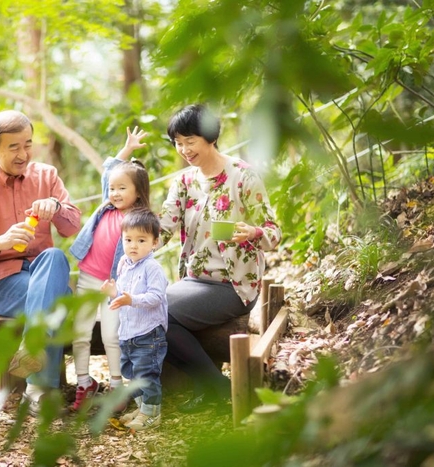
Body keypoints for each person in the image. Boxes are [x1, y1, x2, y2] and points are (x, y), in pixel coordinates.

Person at [0, 110, 81, 416]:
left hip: (42, 273)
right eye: (14, 148)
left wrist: (57, 207)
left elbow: (72, 226)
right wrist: (0, 242)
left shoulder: (46, 176)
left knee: (54, 256)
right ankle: (38, 390)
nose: (23, 154)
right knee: (58, 302)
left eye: (28, 144)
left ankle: (33, 363)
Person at [158, 104, 281, 413]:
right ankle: (214, 386)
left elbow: (274, 233)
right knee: (146, 309)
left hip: (233, 285)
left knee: (158, 313)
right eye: (178, 142)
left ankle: (218, 389)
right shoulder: (184, 183)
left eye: (191, 141)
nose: (184, 149)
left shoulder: (242, 176)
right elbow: (162, 230)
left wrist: (251, 232)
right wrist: (129, 237)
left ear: (210, 137)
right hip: (193, 283)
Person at [68, 127, 150, 411]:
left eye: (122, 188)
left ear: (138, 193)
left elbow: (146, 249)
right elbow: (108, 172)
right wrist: (126, 150)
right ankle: (83, 382)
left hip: (115, 284)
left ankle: (116, 386)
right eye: (113, 189)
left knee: (110, 336)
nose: (114, 193)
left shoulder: (139, 219)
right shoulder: (107, 205)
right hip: (89, 277)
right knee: (80, 331)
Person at [101, 209, 168, 431]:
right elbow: (123, 293)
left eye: (141, 240)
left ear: (155, 242)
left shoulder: (152, 267)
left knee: (146, 375)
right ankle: (141, 409)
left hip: (148, 333)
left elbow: (156, 297)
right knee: (132, 374)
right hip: (128, 332)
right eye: (128, 239)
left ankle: (152, 414)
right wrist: (114, 292)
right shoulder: (124, 264)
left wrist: (131, 300)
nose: (133, 245)